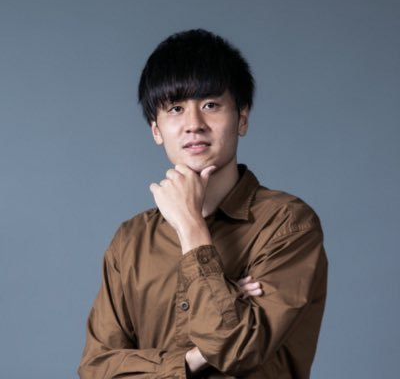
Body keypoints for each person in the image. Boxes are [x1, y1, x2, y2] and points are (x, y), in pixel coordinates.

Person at [78, 29, 327, 378]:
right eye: (176, 108)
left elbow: (237, 350)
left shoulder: (287, 224)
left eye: (211, 105)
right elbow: (96, 369)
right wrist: (193, 358)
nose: (193, 125)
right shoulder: (131, 241)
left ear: (242, 118)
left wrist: (191, 227)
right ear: (156, 130)